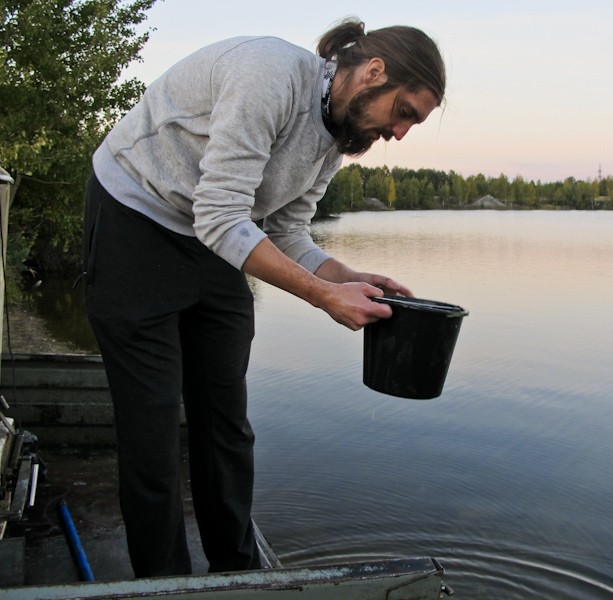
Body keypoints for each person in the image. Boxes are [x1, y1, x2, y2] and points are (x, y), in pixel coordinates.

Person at [82, 18, 446, 577]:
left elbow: (286, 231)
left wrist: (353, 277)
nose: (400, 133)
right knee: (152, 424)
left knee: (226, 420)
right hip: (136, 215)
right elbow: (222, 214)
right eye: (405, 112)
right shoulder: (269, 76)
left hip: (211, 231)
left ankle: (237, 571)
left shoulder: (340, 133)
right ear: (375, 72)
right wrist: (324, 296)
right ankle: (164, 582)